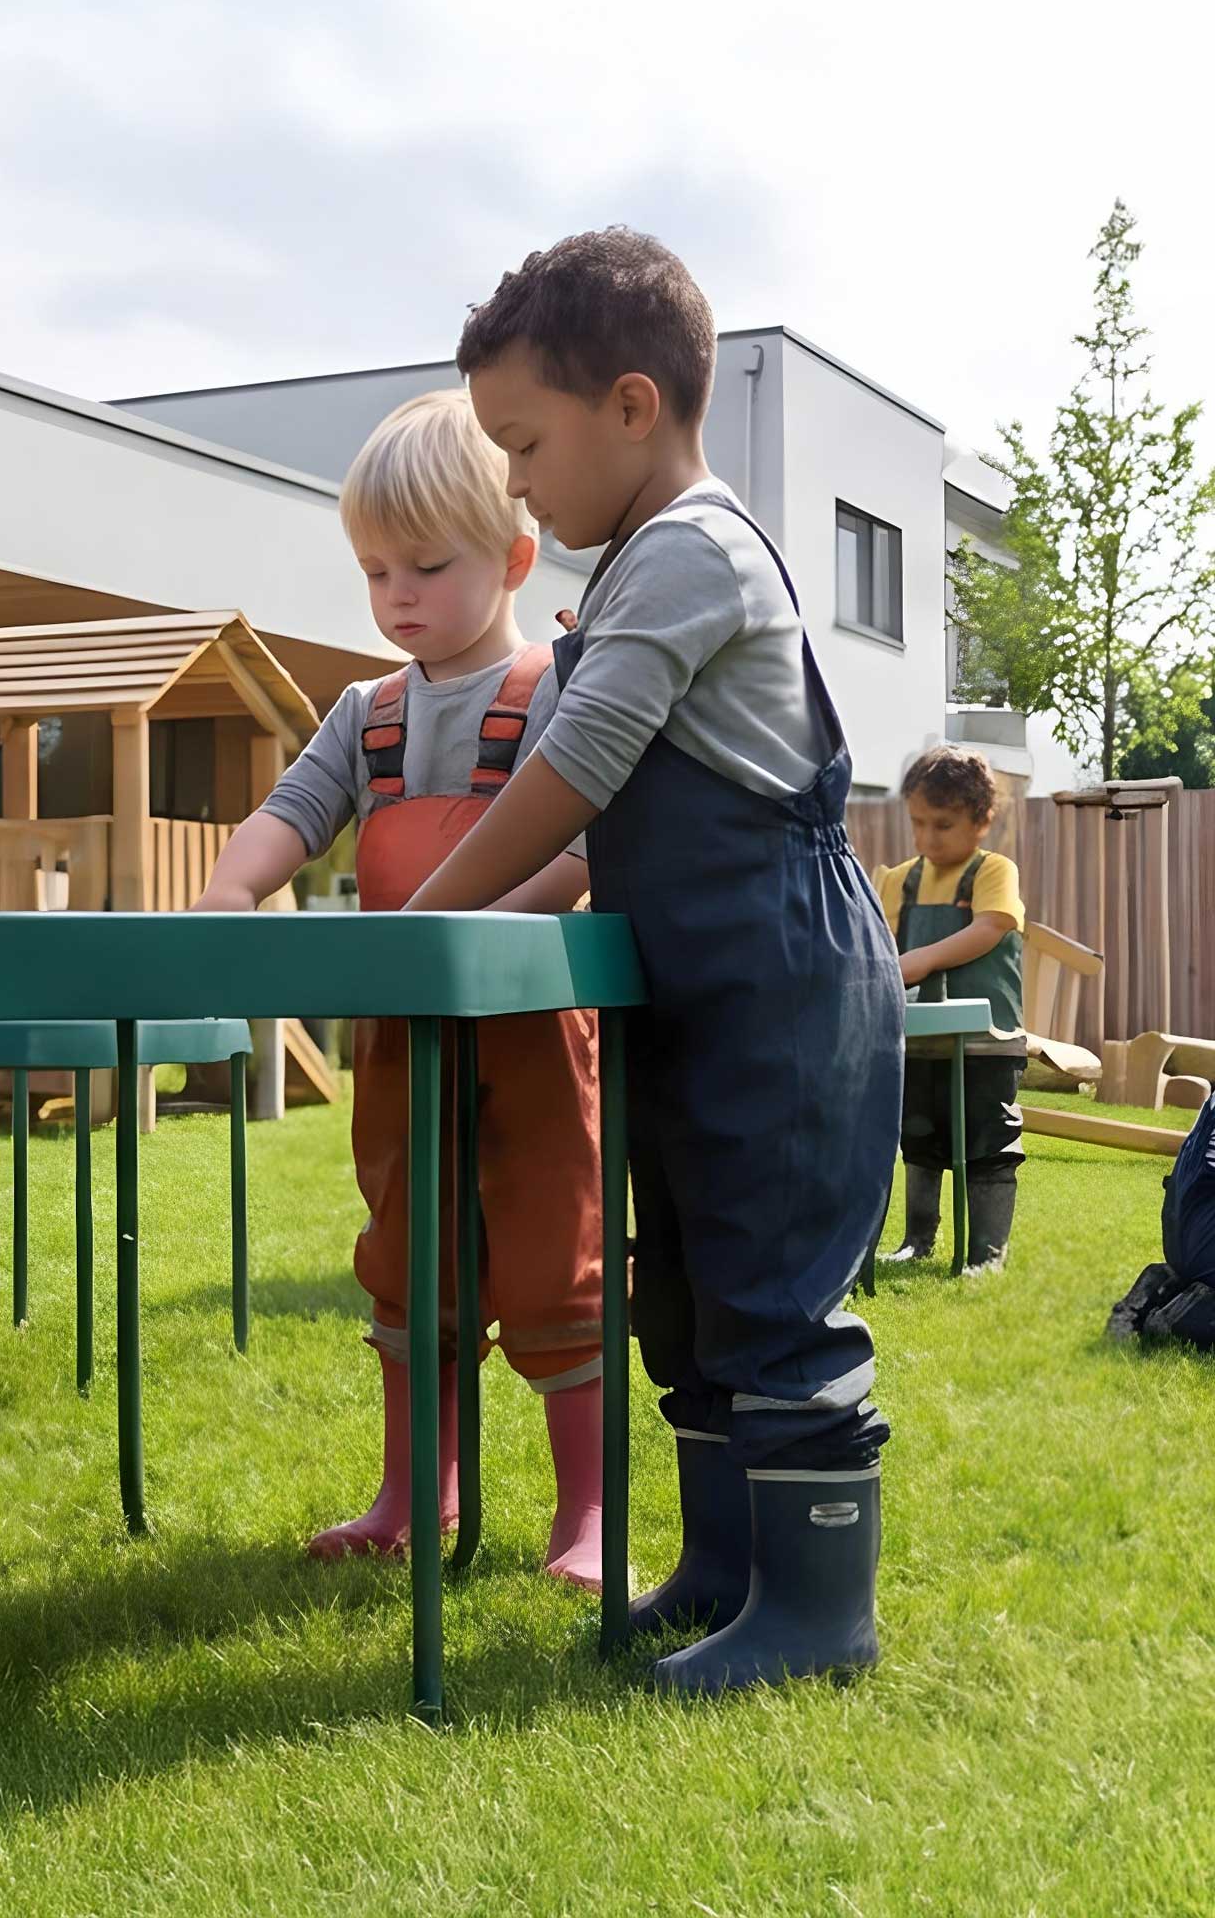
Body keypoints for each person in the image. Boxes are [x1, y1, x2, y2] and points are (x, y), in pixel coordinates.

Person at [406, 230, 904, 1692]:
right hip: (687, 989)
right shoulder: (637, 565)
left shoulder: (694, 551)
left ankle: (822, 1618)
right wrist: (484, 926)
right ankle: (726, 1571)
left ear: (632, 405)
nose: (511, 480)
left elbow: (578, 764)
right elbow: (600, 827)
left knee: (772, 1292)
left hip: (784, 985)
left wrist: (427, 914)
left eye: (522, 442)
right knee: (679, 1290)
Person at [194, 390, 605, 1587]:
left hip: (531, 1033)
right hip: (400, 1042)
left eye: (426, 565)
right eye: (375, 571)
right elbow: (289, 815)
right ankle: (411, 1491)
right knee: (407, 1251)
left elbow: (583, 850)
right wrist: (230, 893)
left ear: (515, 555)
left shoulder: (555, 691)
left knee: (551, 1253)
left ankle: (581, 1511)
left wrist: (472, 933)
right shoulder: (362, 713)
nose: (397, 596)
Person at [872, 747, 1026, 1273]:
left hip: (986, 1039)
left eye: (944, 825)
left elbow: (988, 930)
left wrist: (913, 962)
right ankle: (919, 1239)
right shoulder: (899, 879)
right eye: (919, 823)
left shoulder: (993, 871)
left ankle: (988, 1252)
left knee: (988, 1140)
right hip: (919, 1038)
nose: (928, 839)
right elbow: (880, 946)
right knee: (919, 1136)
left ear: (982, 820)